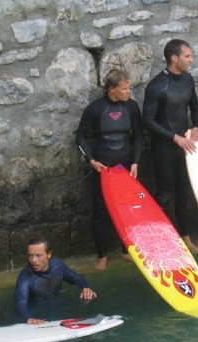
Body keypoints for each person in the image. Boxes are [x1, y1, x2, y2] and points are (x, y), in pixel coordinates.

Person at [142, 39, 198, 255]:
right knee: (164, 195)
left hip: (185, 146)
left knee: (184, 192)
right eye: (188, 56)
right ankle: (160, 243)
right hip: (164, 147)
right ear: (174, 58)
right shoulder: (157, 86)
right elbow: (147, 121)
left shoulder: (188, 80)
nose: (191, 60)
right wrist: (174, 138)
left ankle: (186, 240)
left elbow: (196, 107)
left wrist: (197, 126)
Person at [76, 68, 143, 270]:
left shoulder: (131, 107)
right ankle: (102, 256)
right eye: (124, 89)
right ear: (112, 90)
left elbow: (139, 135)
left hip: (126, 168)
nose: (128, 92)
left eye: (128, 88)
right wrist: (91, 160)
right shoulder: (95, 109)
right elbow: (80, 137)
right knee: (100, 213)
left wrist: (136, 161)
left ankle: (126, 250)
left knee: (128, 209)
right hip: (103, 169)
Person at [14, 237, 97, 325]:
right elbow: (20, 303)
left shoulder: (58, 267)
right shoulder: (25, 277)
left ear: (49, 254)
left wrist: (85, 287)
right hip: (37, 309)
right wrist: (29, 318)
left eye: (38, 255)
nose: (33, 260)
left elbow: (77, 278)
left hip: (59, 303)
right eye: (30, 255)